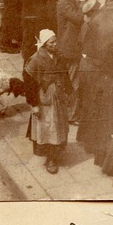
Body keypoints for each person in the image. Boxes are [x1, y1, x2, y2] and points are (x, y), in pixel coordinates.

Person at [24, 29, 71, 174]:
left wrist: (69, 92)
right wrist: (34, 105)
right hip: (45, 99)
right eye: (52, 42)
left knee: (59, 126)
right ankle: (50, 159)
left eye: (56, 41)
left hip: (58, 96)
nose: (55, 44)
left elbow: (64, 74)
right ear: (44, 44)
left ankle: (56, 152)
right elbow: (30, 84)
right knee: (49, 129)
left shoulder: (59, 56)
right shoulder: (36, 59)